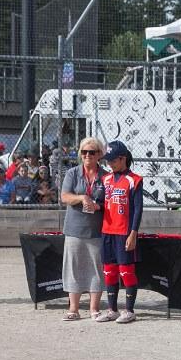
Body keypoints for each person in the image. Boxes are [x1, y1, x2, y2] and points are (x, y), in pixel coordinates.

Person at [60, 137, 107, 321]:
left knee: (96, 268)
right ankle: (74, 309)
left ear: (99, 155)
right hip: (74, 229)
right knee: (74, 268)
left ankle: (94, 309)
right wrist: (81, 198)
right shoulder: (72, 173)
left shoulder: (105, 176)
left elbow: (108, 201)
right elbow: (65, 196)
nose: (87, 155)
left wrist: (98, 206)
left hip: (96, 230)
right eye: (84, 152)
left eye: (92, 152)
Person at [97, 140, 142, 324]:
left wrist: (133, 233)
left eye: (113, 160)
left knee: (126, 271)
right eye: (107, 161)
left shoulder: (134, 180)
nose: (109, 164)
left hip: (124, 231)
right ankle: (112, 309)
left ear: (123, 158)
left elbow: (138, 209)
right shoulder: (106, 179)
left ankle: (129, 310)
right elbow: (101, 202)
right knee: (109, 271)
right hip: (107, 230)